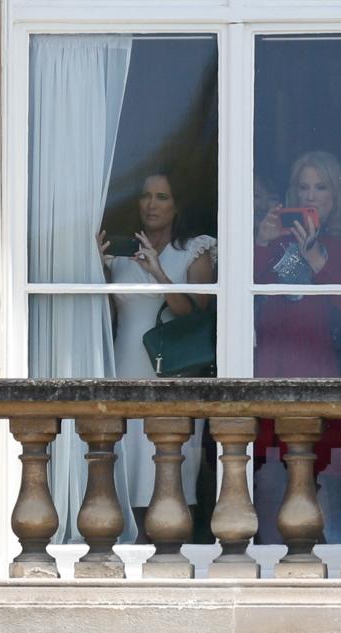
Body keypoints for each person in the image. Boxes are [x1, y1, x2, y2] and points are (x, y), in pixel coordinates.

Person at [252, 151, 341, 543]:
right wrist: (262, 242)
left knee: (328, 481)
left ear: (336, 196)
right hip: (272, 371)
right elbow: (242, 298)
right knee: (268, 480)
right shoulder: (274, 240)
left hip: (324, 371)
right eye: (304, 186)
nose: (311, 195)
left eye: (321, 187)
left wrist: (317, 256)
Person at [97, 172, 217, 537]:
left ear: (176, 204)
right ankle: (131, 541)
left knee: (168, 459)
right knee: (129, 459)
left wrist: (159, 274)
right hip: (125, 364)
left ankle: (172, 542)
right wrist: (98, 270)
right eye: (146, 196)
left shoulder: (194, 250)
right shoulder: (123, 255)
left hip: (174, 369)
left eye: (162, 197)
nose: (152, 204)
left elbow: (198, 317)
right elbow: (111, 317)